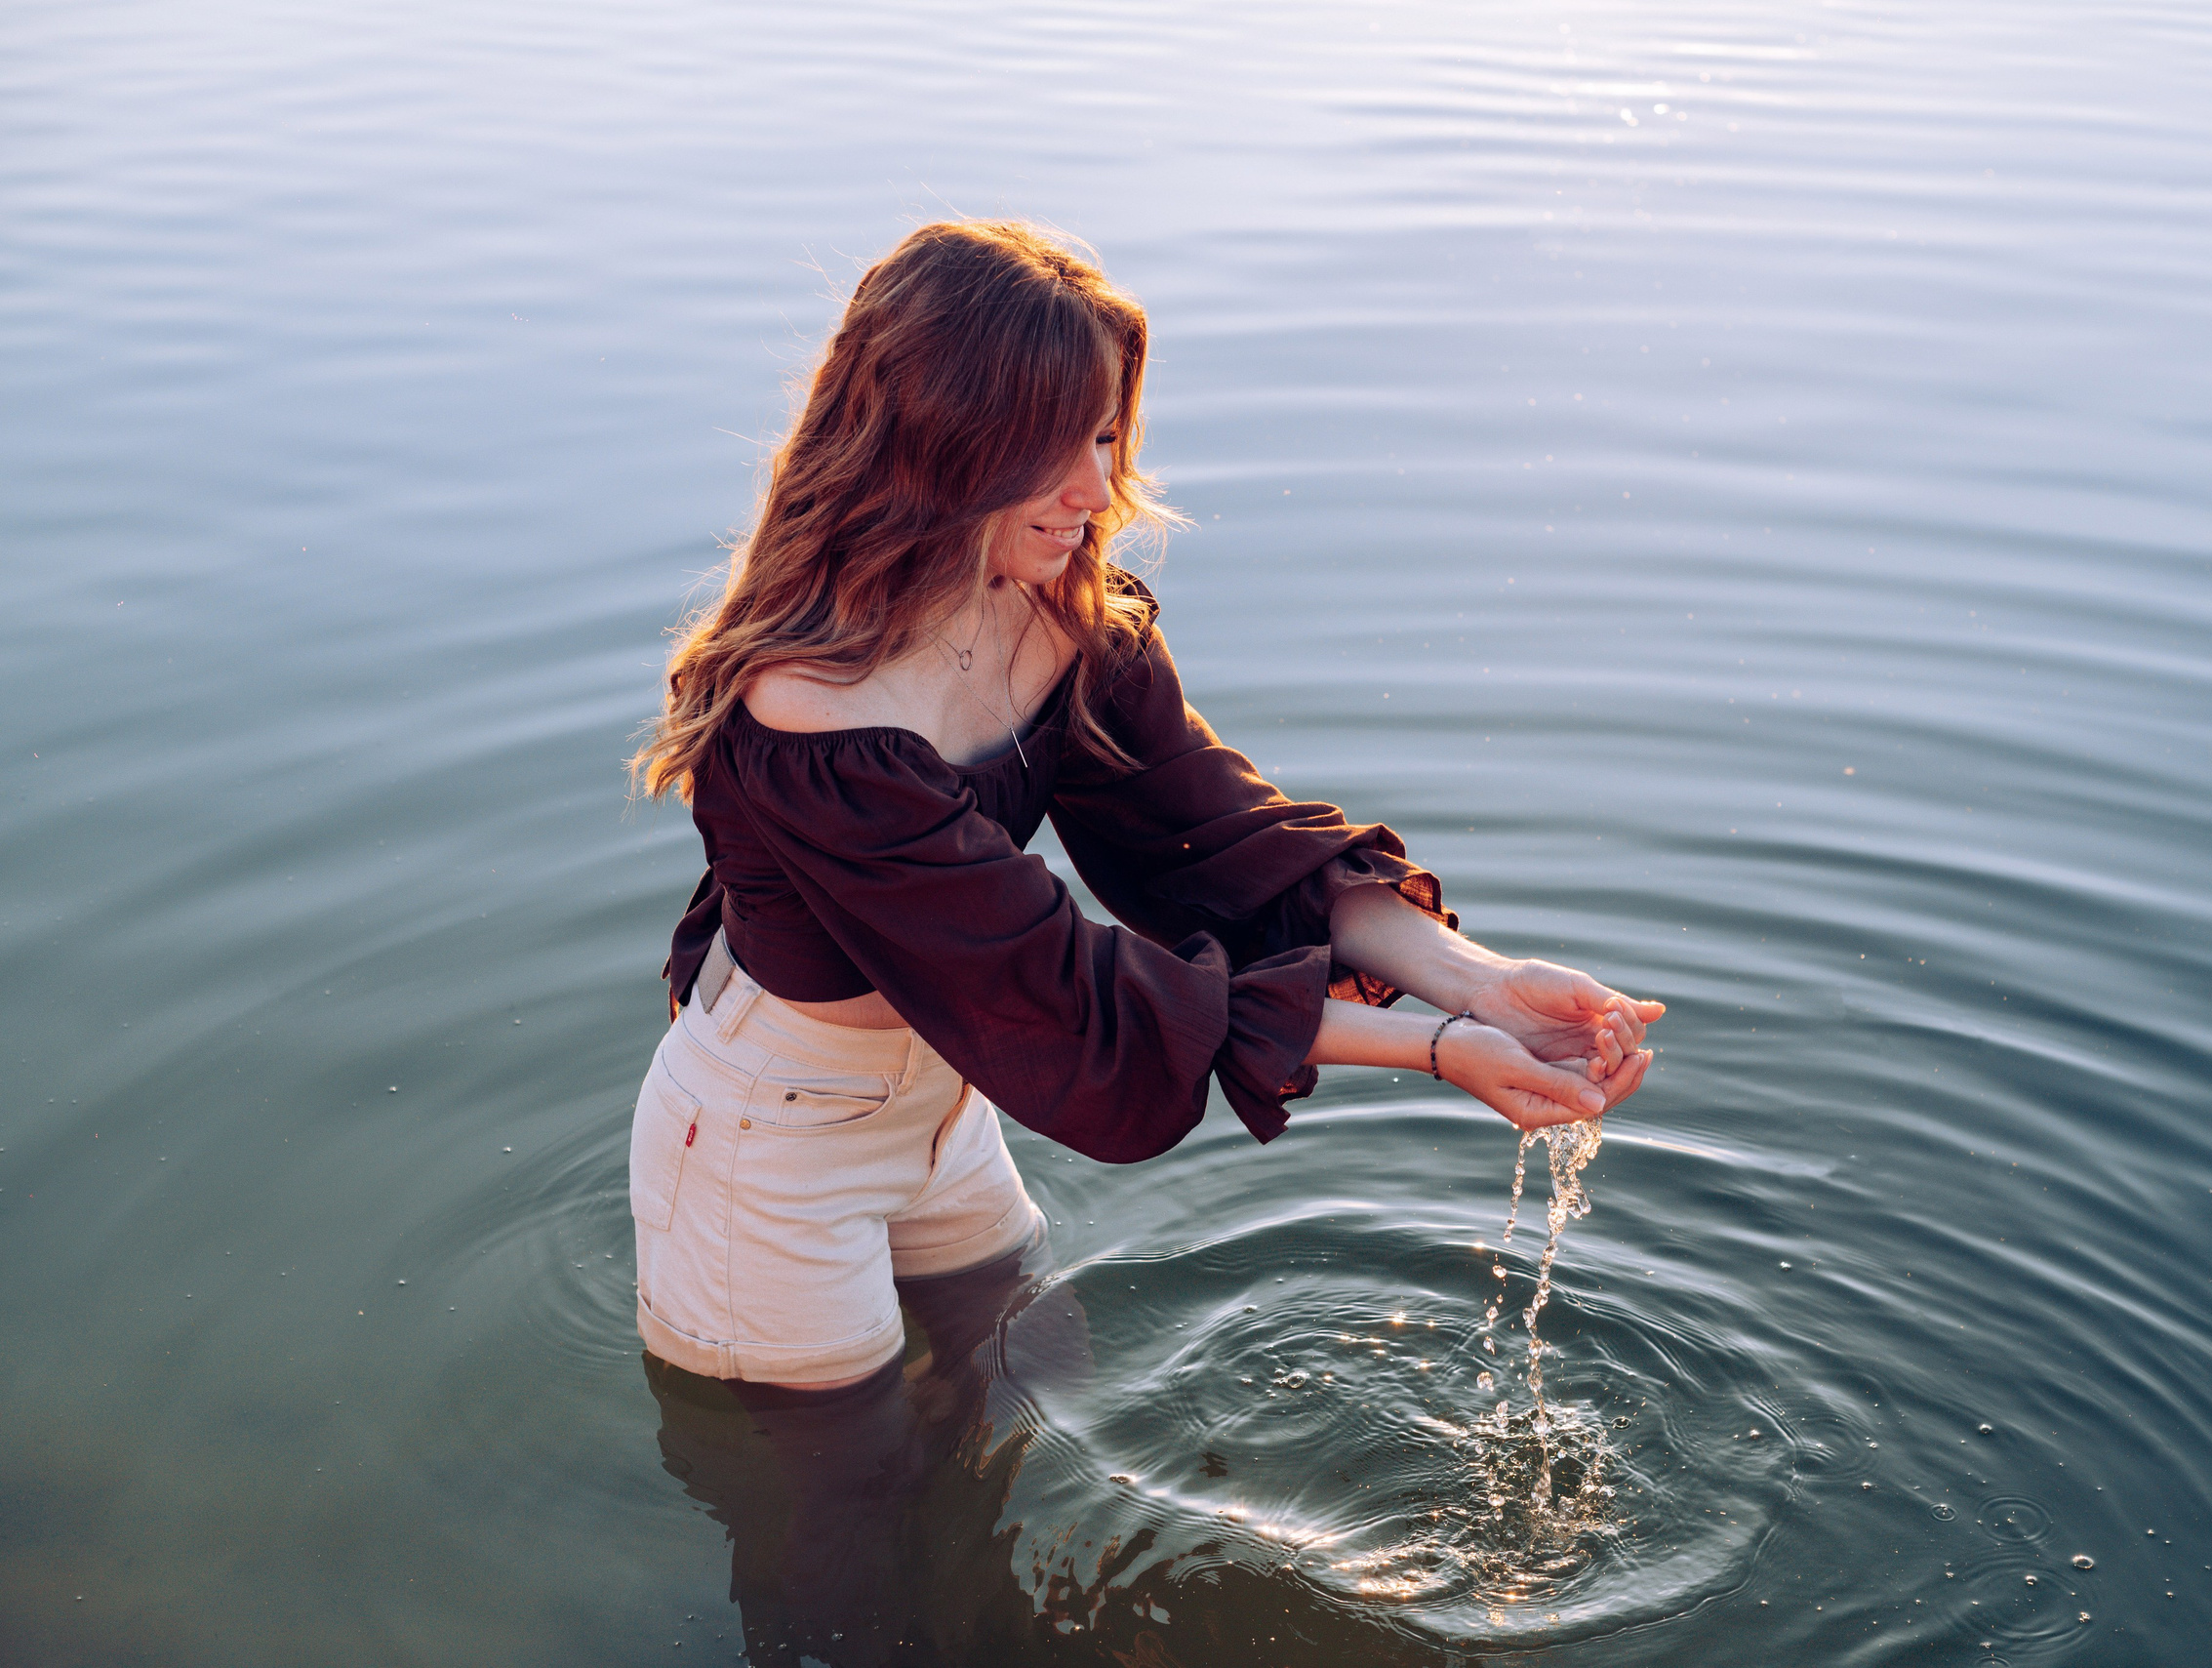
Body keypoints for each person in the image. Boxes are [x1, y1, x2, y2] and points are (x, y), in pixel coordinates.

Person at [627, 219, 1659, 1401]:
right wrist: (1437, 1049)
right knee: (839, 1527)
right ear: (939, 444)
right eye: (1050, 447)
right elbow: (1059, 983)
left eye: (1107, 432)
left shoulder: (1061, 617)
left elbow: (1219, 837)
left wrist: (1479, 982)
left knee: (1038, 1382)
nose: (1095, 487)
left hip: (943, 1096)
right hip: (773, 1137)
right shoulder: (807, 712)